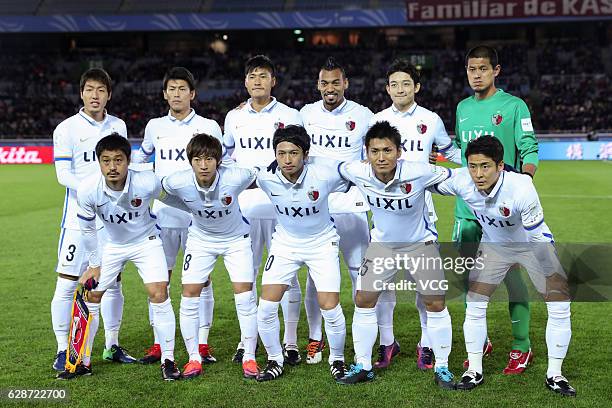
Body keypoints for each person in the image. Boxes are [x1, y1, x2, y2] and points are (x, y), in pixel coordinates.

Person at [433, 135, 575, 397]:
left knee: (559, 304)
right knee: (475, 302)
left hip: (532, 245)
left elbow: (536, 236)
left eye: (485, 166)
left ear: (500, 166)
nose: (478, 174)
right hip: (494, 247)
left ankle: (555, 374)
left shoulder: (521, 188)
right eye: (473, 166)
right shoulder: (462, 180)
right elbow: (427, 182)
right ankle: (473, 370)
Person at [336, 121, 455, 390]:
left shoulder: (419, 172)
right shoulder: (357, 171)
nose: (381, 157)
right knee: (363, 299)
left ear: (399, 152)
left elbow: (453, 179)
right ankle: (363, 365)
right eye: (374, 151)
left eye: (387, 150)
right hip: (382, 247)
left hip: (420, 245)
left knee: (435, 303)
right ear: (365, 153)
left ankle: (443, 367)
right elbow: (333, 170)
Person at [57, 134, 179, 381]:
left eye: (118, 160)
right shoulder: (88, 189)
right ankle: (82, 361)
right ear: (98, 162)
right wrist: (94, 264)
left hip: (147, 242)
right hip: (112, 245)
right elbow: (88, 228)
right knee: (92, 295)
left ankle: (168, 360)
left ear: (128, 160)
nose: (112, 167)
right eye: (106, 161)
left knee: (159, 293)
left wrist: (200, 211)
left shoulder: (147, 182)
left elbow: (172, 199)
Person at [369, 58, 462, 370]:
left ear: (417, 87)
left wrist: (480, 159)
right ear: (387, 88)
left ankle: (426, 343)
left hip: (421, 213)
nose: (400, 89)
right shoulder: (377, 120)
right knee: (380, 286)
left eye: (406, 84)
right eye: (394, 84)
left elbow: (448, 153)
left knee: (426, 288)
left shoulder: (430, 119)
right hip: (383, 211)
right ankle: (387, 342)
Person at [452, 45, 539, 374]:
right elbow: (464, 152)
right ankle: (481, 340)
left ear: (496, 71)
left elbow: (529, 148)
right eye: (471, 69)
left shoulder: (514, 106)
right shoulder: (461, 108)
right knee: (465, 278)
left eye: (483, 69)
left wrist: (523, 183)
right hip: (467, 210)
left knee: (512, 278)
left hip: (505, 213)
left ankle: (521, 345)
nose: (476, 75)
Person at [132, 67, 223, 365]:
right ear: (164, 94)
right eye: (171, 89)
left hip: (199, 215)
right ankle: (160, 343)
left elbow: (221, 164)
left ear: (192, 93)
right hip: (164, 214)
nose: (176, 94)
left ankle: (202, 343)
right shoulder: (155, 126)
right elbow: (141, 157)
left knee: (202, 280)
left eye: (182, 88)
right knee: (161, 278)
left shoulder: (209, 125)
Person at [51, 68, 135, 372]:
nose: (95, 95)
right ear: (81, 93)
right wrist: (95, 191)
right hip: (78, 218)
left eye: (101, 90)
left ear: (109, 94)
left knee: (112, 283)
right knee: (67, 282)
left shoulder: (118, 125)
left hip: (112, 219)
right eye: (89, 89)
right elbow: (63, 175)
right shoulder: (66, 129)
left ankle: (111, 345)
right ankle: (63, 349)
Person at [158, 133, 259, 380]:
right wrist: (189, 207)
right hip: (201, 241)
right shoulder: (178, 181)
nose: (204, 165)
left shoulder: (236, 176)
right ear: (190, 161)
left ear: (219, 161)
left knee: (245, 296)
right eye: (198, 159)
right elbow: (158, 192)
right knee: (189, 294)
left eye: (209, 159)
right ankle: (194, 357)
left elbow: (262, 176)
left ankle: (250, 357)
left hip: (236, 240)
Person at [223, 55, 303, 364]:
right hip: (245, 208)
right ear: (245, 82)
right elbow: (225, 155)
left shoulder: (290, 115)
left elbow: (298, 156)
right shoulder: (234, 117)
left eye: (264, 76)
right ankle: (247, 342)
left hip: (282, 206)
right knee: (247, 274)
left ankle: (291, 341)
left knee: (289, 275)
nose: (258, 80)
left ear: (274, 81)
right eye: (253, 76)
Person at [253, 125, 348, 382]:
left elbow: (358, 174)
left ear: (305, 154)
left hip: (322, 243)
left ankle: (337, 359)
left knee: (330, 306)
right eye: (281, 153)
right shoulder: (265, 177)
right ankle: (275, 359)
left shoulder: (325, 174)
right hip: (285, 244)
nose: (286, 159)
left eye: (293, 153)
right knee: (266, 307)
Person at [299, 57, 372, 364]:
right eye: (324, 83)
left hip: (351, 205)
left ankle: (361, 337)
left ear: (346, 84)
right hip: (316, 207)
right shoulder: (306, 114)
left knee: (361, 273)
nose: (330, 88)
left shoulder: (363, 115)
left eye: (336, 82)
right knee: (316, 277)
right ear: (318, 85)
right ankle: (316, 338)